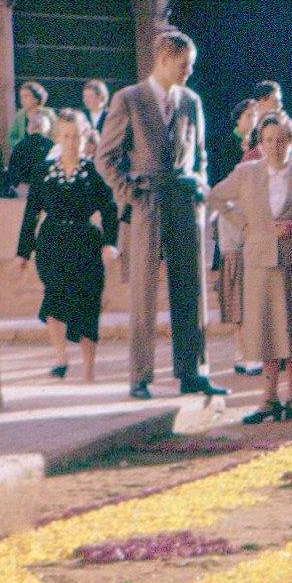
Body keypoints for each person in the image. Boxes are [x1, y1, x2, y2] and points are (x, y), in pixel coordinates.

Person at [94, 29, 219, 400]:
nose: (189, 72)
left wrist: (200, 185)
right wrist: (129, 192)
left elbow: (201, 153)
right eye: (184, 65)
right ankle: (140, 377)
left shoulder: (191, 101)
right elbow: (105, 157)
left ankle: (193, 371)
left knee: (191, 289)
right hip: (146, 202)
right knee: (143, 292)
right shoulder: (128, 99)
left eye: (191, 65)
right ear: (163, 59)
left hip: (184, 201)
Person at [210, 111, 292, 423]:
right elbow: (216, 197)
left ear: (291, 140)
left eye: (281, 139)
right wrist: (245, 225)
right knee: (266, 330)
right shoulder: (246, 173)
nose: (276, 146)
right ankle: (268, 398)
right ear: (259, 143)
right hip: (260, 262)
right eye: (269, 140)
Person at [15, 108, 119, 382]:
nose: (70, 142)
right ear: (57, 137)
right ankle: (60, 358)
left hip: (86, 244)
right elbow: (31, 212)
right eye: (65, 136)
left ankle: (88, 371)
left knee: (88, 304)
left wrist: (110, 243)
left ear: (84, 136)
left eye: (75, 136)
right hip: (52, 243)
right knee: (54, 298)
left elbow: (109, 209)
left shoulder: (94, 172)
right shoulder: (44, 172)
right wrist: (22, 252)